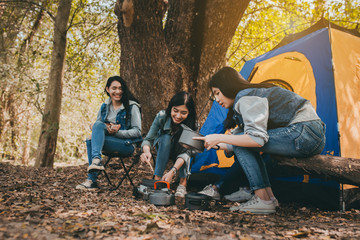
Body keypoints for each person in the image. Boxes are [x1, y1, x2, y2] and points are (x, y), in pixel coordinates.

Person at [194, 66, 326, 214]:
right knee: (241, 142)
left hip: (304, 132)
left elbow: (255, 140)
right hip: (309, 134)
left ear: (227, 86)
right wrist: (213, 143)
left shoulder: (246, 97)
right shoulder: (246, 100)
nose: (217, 100)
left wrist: (218, 137)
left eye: (217, 93)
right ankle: (269, 199)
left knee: (243, 142)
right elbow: (236, 143)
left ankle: (263, 199)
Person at [76, 76, 142, 190]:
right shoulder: (105, 106)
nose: (118, 91)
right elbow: (99, 126)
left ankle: (93, 175)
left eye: (120, 88)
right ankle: (95, 168)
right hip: (109, 143)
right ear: (108, 89)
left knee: (93, 136)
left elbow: (137, 132)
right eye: (114, 88)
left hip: (126, 145)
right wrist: (93, 126)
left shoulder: (132, 106)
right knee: (92, 134)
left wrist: (116, 132)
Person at [140, 91, 197, 197]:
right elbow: (148, 139)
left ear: (189, 113)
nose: (178, 116)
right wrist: (146, 151)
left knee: (184, 143)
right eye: (175, 111)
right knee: (165, 138)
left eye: (183, 113)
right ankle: (158, 180)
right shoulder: (162, 116)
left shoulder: (192, 124)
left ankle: (182, 183)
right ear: (171, 108)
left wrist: (172, 171)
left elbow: (187, 153)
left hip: (181, 152)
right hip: (164, 147)